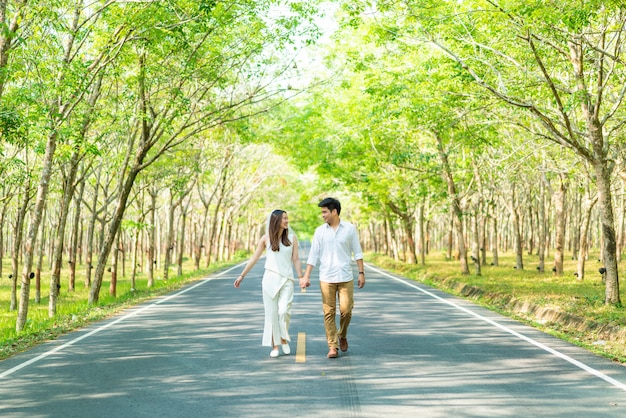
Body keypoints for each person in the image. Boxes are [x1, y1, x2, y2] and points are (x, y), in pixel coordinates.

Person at [300, 197, 365, 359]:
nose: (322, 215)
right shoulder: (320, 231)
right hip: (326, 278)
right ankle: (332, 346)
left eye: (325, 212)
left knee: (346, 310)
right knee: (328, 312)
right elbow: (313, 255)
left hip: (345, 276)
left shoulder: (349, 229)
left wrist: (361, 272)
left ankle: (342, 334)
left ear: (334, 212)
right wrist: (306, 276)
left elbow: (357, 251)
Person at [234, 210, 303, 358]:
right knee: (271, 314)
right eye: (284, 218)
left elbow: (296, 259)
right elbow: (254, 258)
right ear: (276, 221)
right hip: (270, 280)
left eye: (287, 218)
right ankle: (275, 345)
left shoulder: (292, 238)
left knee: (284, 311)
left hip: (287, 280)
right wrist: (242, 275)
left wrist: (301, 277)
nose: (287, 221)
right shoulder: (266, 239)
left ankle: (283, 338)